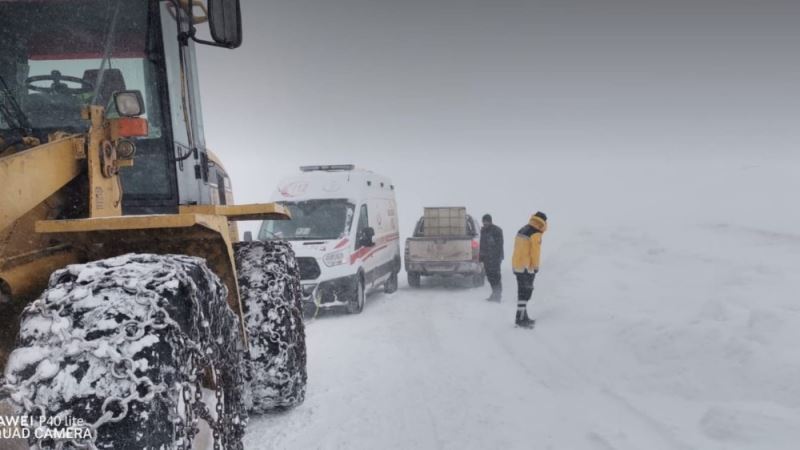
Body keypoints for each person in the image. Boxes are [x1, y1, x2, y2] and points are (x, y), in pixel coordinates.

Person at [511, 211, 547, 328]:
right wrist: (535, 267)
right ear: (543, 222)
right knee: (526, 293)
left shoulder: (523, 229)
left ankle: (523, 317)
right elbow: (535, 252)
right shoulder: (536, 233)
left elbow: (517, 248)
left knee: (522, 292)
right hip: (527, 268)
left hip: (518, 266)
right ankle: (520, 319)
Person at [479, 214, 504, 301]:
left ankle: (498, 295)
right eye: (484, 221)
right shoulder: (483, 231)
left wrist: (496, 257)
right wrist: (481, 257)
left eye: (487, 221)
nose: (485, 223)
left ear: (490, 221)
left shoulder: (497, 230)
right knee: (490, 277)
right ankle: (494, 293)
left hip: (495, 258)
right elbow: (482, 245)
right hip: (486, 258)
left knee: (496, 276)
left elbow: (499, 245)